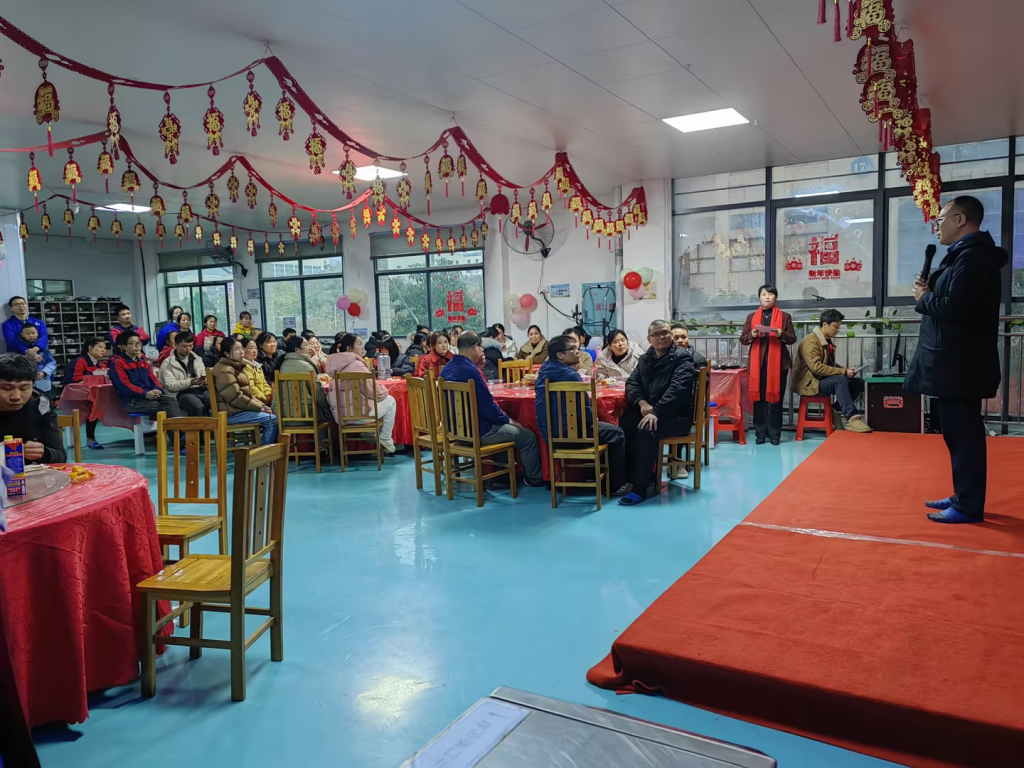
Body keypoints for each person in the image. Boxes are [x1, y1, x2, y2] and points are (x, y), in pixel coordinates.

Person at [906, 196, 1007, 524]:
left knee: (964, 437)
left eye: (941, 220)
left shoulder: (974, 257)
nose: (937, 227)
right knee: (958, 435)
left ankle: (968, 505)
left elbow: (955, 308)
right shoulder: (965, 255)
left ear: (960, 220)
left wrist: (924, 298)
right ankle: (963, 495)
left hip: (961, 366)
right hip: (956, 365)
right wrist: (929, 292)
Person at [441, 332, 544, 486]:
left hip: (455, 431)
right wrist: (508, 419)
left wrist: (479, 368)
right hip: (480, 431)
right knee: (528, 437)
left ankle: (502, 474)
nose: (482, 351)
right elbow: (487, 407)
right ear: (475, 347)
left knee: (503, 426)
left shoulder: (446, 369)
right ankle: (533, 479)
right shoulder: (471, 372)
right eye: (481, 348)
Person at [536, 335, 628, 495]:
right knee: (617, 433)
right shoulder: (571, 375)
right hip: (574, 435)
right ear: (560, 355)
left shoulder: (543, 372)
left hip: (550, 435)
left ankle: (592, 476)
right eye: (572, 349)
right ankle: (615, 485)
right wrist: (595, 419)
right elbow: (585, 411)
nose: (577, 351)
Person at [618, 320, 696, 506]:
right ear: (649, 339)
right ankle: (630, 479)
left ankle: (640, 488)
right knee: (625, 425)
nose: (662, 337)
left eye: (665, 333)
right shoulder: (646, 358)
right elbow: (632, 383)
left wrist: (656, 411)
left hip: (676, 416)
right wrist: (642, 403)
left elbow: (678, 390)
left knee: (647, 430)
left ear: (670, 335)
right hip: (651, 410)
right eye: (656, 334)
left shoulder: (682, 358)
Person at [791, 310, 871, 434]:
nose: (837, 330)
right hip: (809, 384)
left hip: (819, 380)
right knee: (840, 380)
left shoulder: (825, 340)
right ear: (824, 324)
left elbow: (829, 364)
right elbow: (817, 367)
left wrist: (846, 370)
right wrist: (843, 372)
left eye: (838, 327)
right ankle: (852, 418)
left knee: (858, 382)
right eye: (835, 326)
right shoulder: (810, 341)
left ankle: (835, 410)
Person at [740, 285, 796, 445]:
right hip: (758, 364)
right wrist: (751, 335)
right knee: (759, 399)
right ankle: (760, 433)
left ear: (775, 297)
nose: (767, 297)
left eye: (770, 294)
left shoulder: (784, 317)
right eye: (764, 294)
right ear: (759, 297)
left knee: (776, 399)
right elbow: (743, 339)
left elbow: (792, 338)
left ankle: (775, 434)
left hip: (779, 365)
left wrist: (781, 334)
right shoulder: (752, 317)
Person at [326, 333, 398, 454]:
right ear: (349, 348)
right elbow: (374, 392)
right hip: (358, 415)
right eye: (359, 344)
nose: (363, 347)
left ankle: (370, 434)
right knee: (390, 401)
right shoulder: (356, 365)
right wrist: (384, 389)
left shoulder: (334, 365)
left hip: (340, 416)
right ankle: (385, 437)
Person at [210, 336, 279, 445]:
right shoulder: (225, 370)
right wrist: (259, 408)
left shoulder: (236, 367)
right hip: (231, 413)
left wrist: (262, 406)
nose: (242, 352)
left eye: (242, 348)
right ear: (227, 353)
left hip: (239, 409)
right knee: (272, 420)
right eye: (237, 349)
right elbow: (236, 397)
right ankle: (264, 453)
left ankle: (265, 451)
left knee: (272, 414)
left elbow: (248, 394)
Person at [0, 354, 65, 464]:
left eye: (24, 388)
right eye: (7, 388)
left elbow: (60, 456)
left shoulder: (41, 405)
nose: (16, 396)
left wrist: (43, 453)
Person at [108, 330, 182, 419]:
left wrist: (158, 390)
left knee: (171, 400)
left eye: (138, 343)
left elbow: (153, 379)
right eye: (132, 343)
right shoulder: (118, 363)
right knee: (158, 406)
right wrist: (145, 393)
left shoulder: (143, 362)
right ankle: (172, 427)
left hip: (149, 396)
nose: (137, 346)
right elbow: (125, 386)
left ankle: (173, 427)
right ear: (124, 346)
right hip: (132, 401)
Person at [64, 336, 110, 449]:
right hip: (75, 396)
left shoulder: (101, 365)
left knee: (100, 403)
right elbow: (73, 380)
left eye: (104, 348)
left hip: (91, 395)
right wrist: (93, 375)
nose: (103, 350)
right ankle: (90, 439)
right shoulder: (79, 362)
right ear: (90, 348)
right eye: (100, 347)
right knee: (93, 406)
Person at [158, 330, 210, 417]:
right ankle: (200, 426)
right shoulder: (167, 363)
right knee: (198, 407)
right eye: (185, 346)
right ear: (176, 345)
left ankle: (217, 425)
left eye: (191, 346)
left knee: (217, 401)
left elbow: (202, 375)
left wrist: (204, 382)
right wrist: (190, 382)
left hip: (200, 390)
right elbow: (170, 385)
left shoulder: (197, 359)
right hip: (180, 393)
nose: (188, 349)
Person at [278, 335, 332, 418]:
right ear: (297, 350)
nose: (310, 347)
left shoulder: (282, 365)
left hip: (283, 414)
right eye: (306, 345)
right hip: (307, 414)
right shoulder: (307, 367)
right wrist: (327, 405)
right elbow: (318, 393)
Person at [19, 325, 56, 393]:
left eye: (33, 333)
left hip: (44, 386)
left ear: (37, 333)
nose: (31, 335)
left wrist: (44, 372)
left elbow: (52, 362)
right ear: (22, 335)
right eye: (27, 333)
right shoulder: (19, 348)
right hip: (25, 386)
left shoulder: (44, 348)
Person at [241, 337, 273, 404]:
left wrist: (269, 396)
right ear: (243, 350)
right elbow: (251, 389)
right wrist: (265, 399)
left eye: (256, 348)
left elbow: (265, 384)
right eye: (251, 348)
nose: (255, 351)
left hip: (264, 401)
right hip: (254, 403)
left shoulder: (257, 366)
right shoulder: (243, 367)